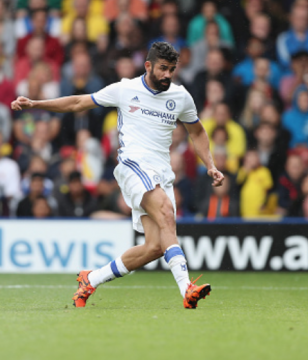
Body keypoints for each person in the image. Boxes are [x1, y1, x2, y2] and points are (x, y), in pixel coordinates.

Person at [12, 42, 224, 309]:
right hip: (133, 165)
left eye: (171, 70)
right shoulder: (125, 89)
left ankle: (91, 279)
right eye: (162, 69)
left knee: (155, 246)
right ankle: (187, 288)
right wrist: (35, 104)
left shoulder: (181, 97)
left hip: (161, 172)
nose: (167, 75)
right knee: (167, 214)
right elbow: (78, 102)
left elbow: (197, 132)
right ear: (148, 66)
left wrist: (210, 165)